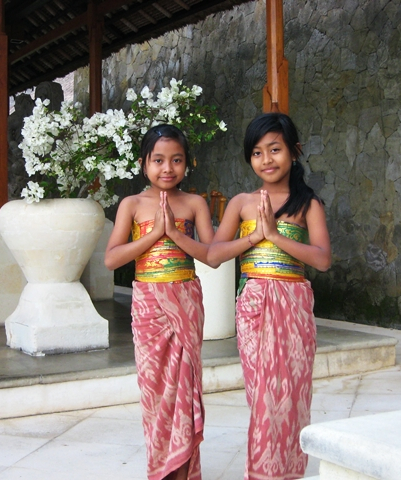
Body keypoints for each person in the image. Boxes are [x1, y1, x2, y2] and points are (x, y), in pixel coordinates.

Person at [208, 113, 331, 479]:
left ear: (294, 152)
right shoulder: (241, 203)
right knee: (263, 398)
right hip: (253, 306)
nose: (267, 160)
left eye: (275, 150)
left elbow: (322, 260)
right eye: (257, 153)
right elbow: (214, 255)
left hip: (293, 305)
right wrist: (253, 238)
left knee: (291, 397)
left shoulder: (308, 205)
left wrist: (276, 236)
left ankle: (288, 472)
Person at [104, 124, 214, 480]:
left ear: (187, 164)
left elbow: (211, 256)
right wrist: (154, 234)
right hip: (150, 305)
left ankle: (184, 471)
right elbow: (112, 258)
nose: (168, 168)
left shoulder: (195, 203)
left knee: (184, 387)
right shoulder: (132, 204)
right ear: (143, 163)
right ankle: (162, 470)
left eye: (176, 160)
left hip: (185, 299)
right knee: (156, 391)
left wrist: (176, 235)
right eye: (159, 160)